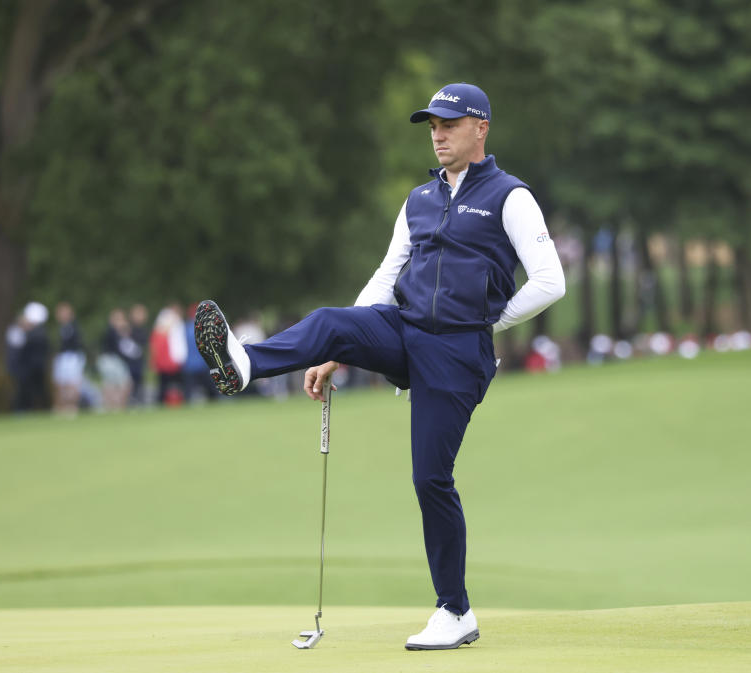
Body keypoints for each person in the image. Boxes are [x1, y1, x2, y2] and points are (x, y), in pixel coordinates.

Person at [194, 83, 566, 650]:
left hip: (458, 354)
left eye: (448, 124)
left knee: (430, 479)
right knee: (329, 321)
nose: (437, 134)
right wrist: (342, 350)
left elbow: (550, 281)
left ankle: (455, 611)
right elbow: (386, 279)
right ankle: (244, 364)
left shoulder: (509, 197)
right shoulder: (417, 200)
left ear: (480, 128)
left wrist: (487, 324)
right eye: (431, 126)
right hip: (406, 331)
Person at [52, 302, 85, 415]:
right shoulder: (63, 328)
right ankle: (61, 406)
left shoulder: (73, 326)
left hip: (72, 357)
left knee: (73, 383)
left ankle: (72, 406)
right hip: (63, 357)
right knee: (61, 383)